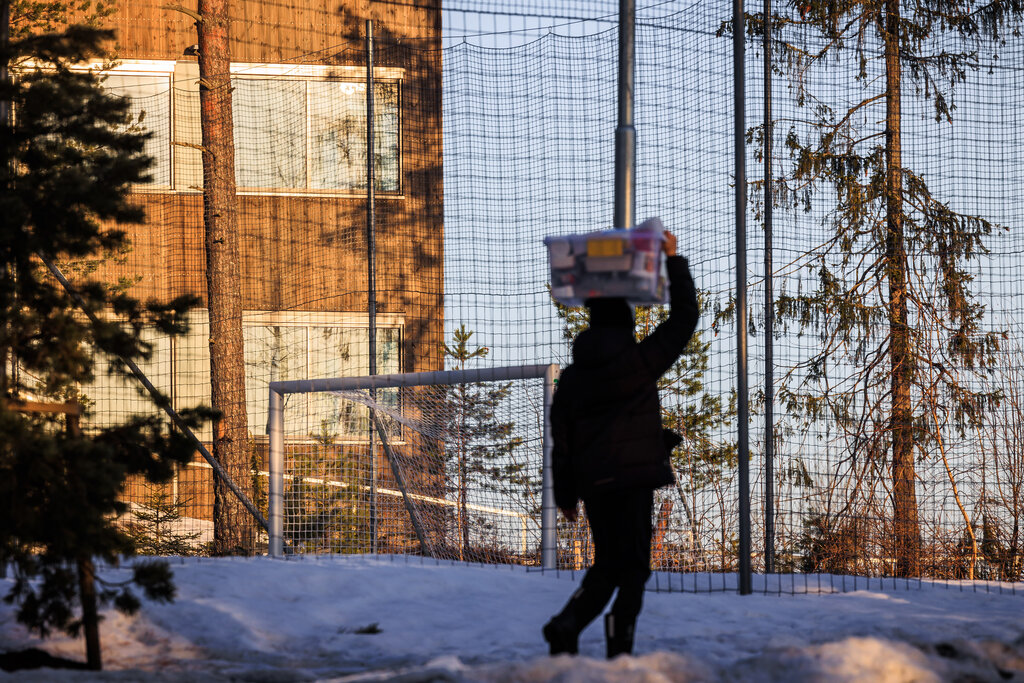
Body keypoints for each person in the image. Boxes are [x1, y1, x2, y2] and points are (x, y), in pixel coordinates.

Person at [543, 229, 699, 658]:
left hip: (595, 485)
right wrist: (674, 259)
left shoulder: (571, 380)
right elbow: (685, 317)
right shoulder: (639, 362)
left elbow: (563, 441)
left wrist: (566, 495)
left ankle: (570, 624)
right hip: (631, 482)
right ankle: (612, 641)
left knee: (610, 563)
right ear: (626, 322)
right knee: (631, 569)